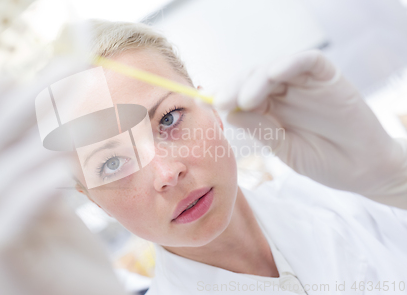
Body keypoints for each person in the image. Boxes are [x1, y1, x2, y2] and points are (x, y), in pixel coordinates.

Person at [72, 20, 407, 295]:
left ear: (211, 110)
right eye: (112, 163)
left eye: (169, 119)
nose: (167, 173)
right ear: (93, 199)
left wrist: (396, 176)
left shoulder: (354, 199)